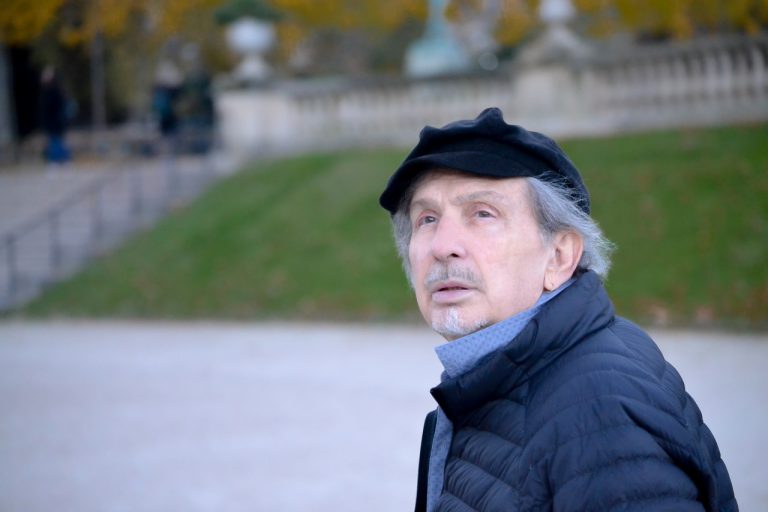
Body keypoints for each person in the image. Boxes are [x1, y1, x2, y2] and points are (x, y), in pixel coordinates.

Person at [378, 107, 737, 512]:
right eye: (427, 218)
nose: (443, 246)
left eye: (482, 213)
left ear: (560, 257)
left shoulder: (599, 415)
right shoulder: (479, 387)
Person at [39, 66, 71, 166]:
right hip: (52, 121)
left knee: (56, 141)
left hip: (56, 121)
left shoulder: (55, 90)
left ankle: (59, 160)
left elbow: (57, 107)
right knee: (55, 141)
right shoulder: (47, 90)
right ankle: (61, 159)